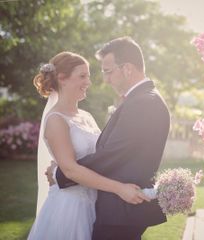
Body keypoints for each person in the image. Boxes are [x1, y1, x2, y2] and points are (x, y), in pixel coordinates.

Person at [50, 36, 171, 240]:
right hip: (121, 209)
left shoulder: (142, 103)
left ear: (127, 69)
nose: (105, 79)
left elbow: (111, 155)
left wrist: (61, 173)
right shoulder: (143, 99)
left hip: (121, 212)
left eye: (108, 71)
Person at [28, 51, 149, 240]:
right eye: (82, 76)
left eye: (89, 76)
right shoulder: (56, 120)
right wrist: (119, 188)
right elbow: (71, 171)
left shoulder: (86, 116)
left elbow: (103, 154)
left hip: (97, 203)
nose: (88, 82)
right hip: (70, 209)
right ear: (62, 78)